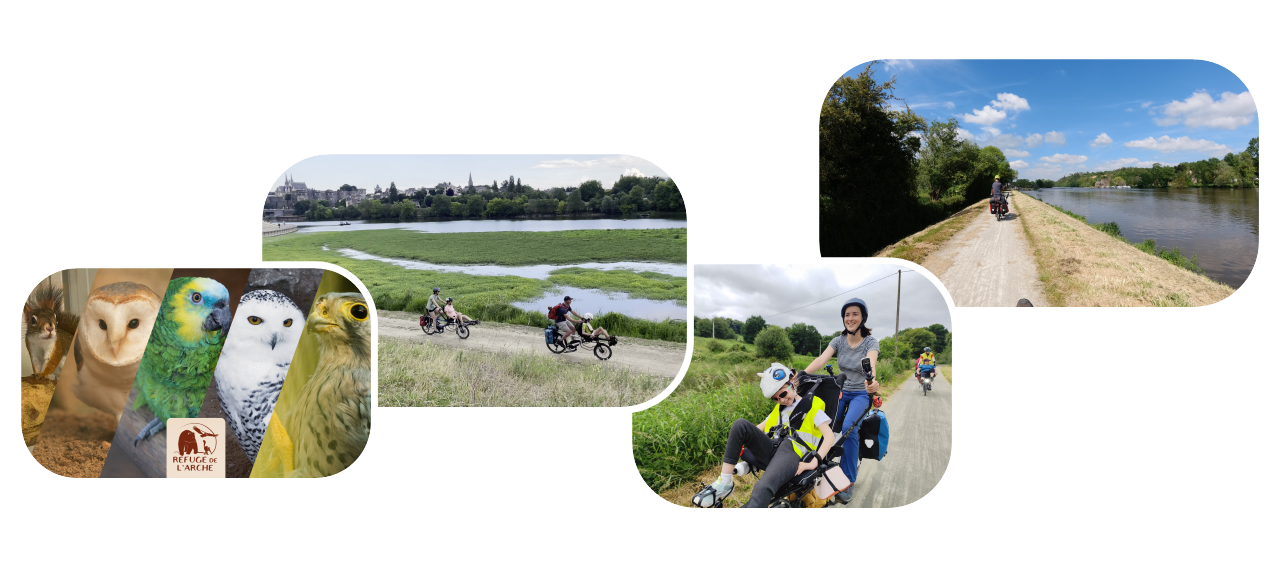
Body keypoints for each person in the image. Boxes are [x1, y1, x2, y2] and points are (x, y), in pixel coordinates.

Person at [692, 363, 838, 508]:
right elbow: (758, 429)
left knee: (761, 488)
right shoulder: (779, 410)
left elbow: (829, 437)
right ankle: (725, 483)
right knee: (740, 424)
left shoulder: (812, 406)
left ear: (792, 383)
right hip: (773, 449)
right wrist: (738, 443)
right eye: (775, 399)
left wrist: (814, 463)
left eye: (782, 394)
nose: (781, 400)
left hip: (792, 453)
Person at [803, 297, 880, 505]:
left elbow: (870, 365)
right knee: (822, 422)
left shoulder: (870, 343)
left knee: (848, 428)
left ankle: (848, 481)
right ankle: (818, 462)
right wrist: (799, 374)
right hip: (841, 390)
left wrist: (872, 383)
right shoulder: (838, 340)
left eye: (855, 314)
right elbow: (821, 360)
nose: (850, 318)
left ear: (863, 317)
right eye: (847, 314)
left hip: (861, 394)